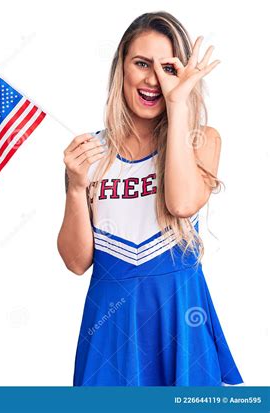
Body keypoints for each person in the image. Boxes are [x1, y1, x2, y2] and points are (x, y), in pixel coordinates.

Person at [57, 11, 244, 386]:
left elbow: (181, 204)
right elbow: (77, 262)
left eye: (167, 67)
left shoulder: (201, 140)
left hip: (179, 314)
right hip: (109, 323)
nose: (153, 79)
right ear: (121, 69)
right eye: (141, 63)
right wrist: (77, 187)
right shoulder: (92, 153)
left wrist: (179, 106)